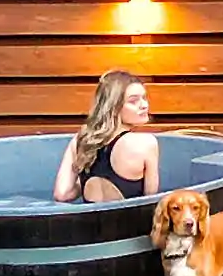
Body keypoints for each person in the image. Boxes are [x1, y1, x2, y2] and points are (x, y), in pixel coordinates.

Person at [53, 69, 161, 203]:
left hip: (87, 222)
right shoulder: (146, 143)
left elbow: (62, 194)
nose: (144, 105)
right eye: (133, 101)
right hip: (129, 222)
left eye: (144, 98)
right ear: (113, 107)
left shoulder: (81, 139)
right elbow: (150, 202)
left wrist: (91, 176)